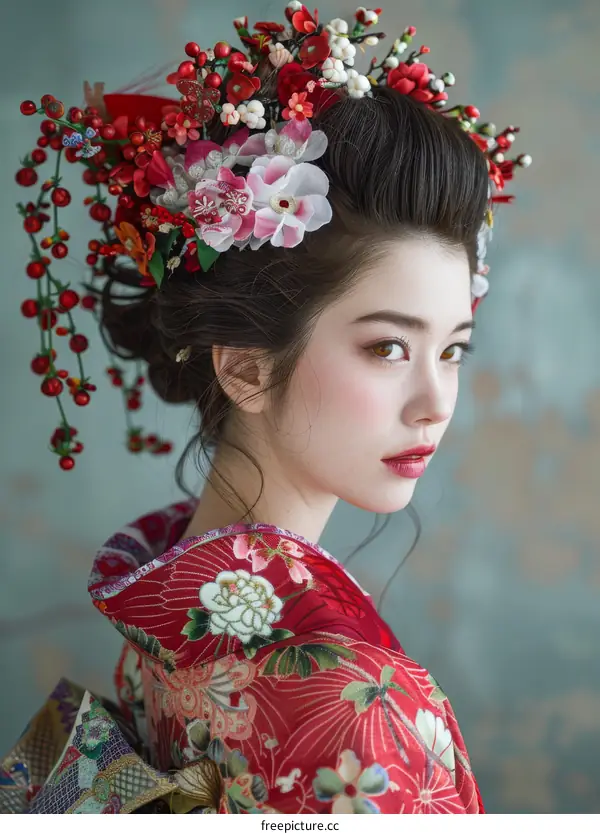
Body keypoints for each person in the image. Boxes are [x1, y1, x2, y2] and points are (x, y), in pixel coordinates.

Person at [2, 3, 530, 814]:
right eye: (387, 347)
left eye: (452, 349)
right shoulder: (363, 712)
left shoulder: (161, 593)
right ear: (246, 368)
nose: (436, 405)